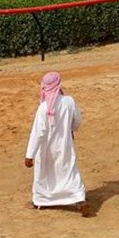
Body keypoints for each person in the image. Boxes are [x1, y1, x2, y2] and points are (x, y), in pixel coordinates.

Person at [24, 71, 88, 215]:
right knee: (69, 171)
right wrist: (71, 130)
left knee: (44, 175)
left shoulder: (43, 108)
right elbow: (77, 121)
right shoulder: (69, 101)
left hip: (46, 150)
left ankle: (40, 201)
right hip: (65, 146)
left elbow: (37, 132)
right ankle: (79, 198)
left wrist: (30, 155)